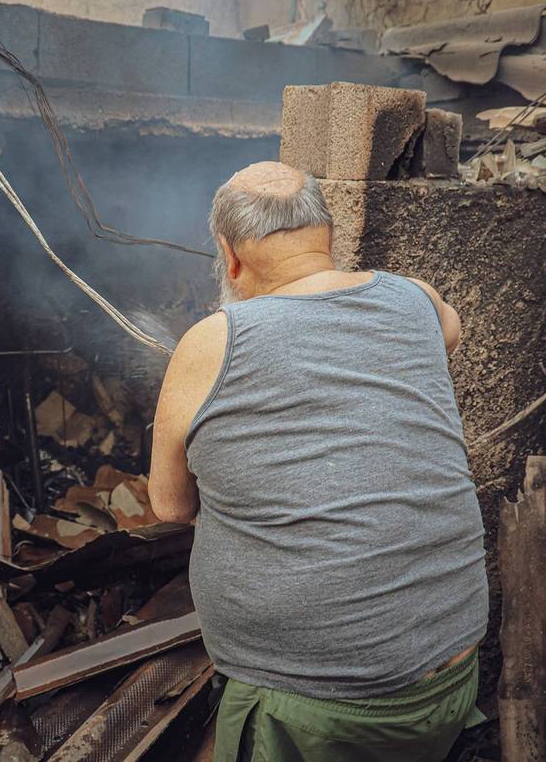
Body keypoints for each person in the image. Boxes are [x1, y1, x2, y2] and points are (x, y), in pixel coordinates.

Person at [148, 161, 489, 762]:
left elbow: (170, 506)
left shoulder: (212, 340)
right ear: (329, 239)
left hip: (313, 711)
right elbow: (446, 338)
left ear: (229, 256)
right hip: (450, 677)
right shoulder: (416, 299)